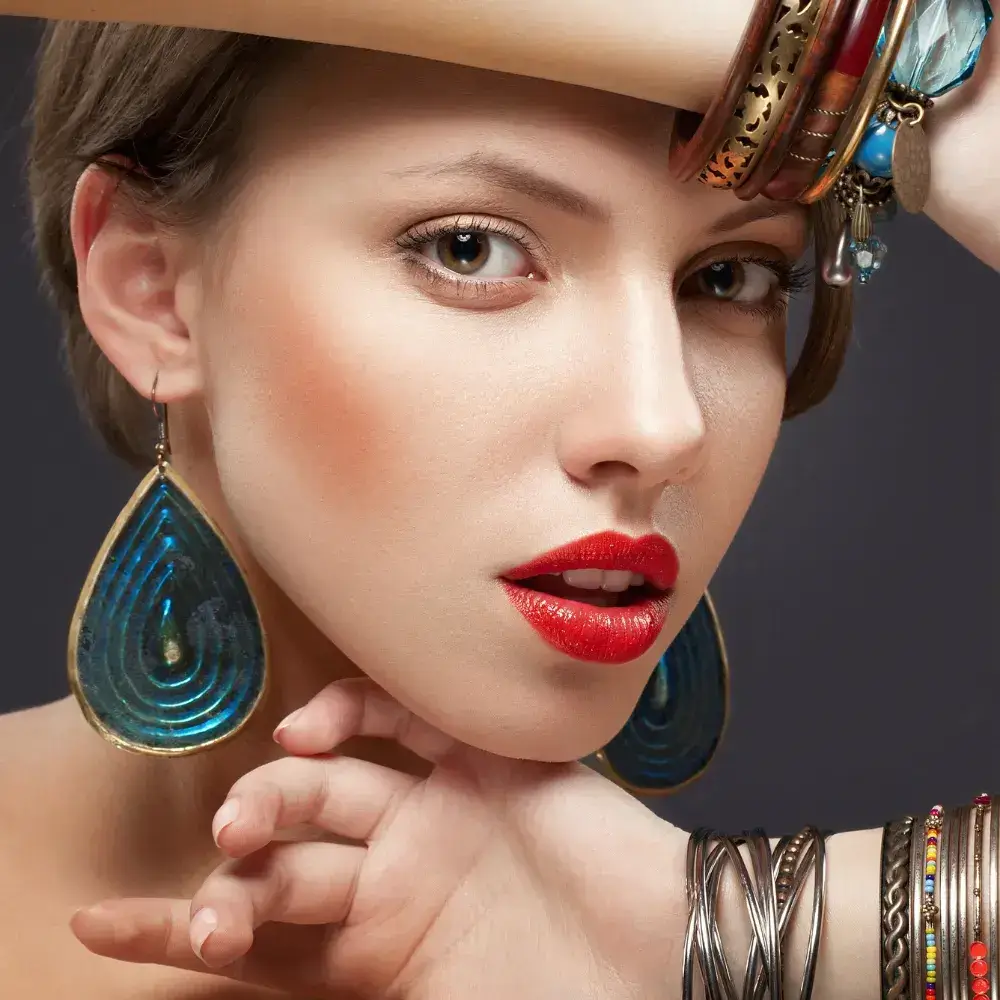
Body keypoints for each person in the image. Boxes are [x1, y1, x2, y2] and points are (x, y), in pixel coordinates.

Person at [0, 0, 995, 998]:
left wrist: (706, 927)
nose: (662, 429)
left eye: (728, 276)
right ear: (150, 290)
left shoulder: (691, 944)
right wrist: (870, 44)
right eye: (471, 249)